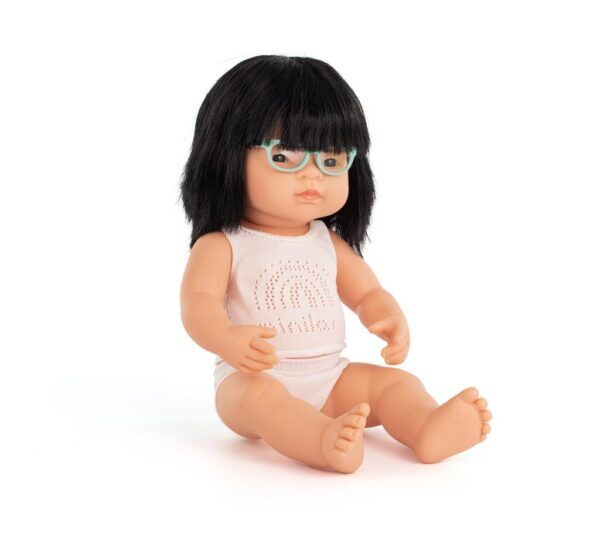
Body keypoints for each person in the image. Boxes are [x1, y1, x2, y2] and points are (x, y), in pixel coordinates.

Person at [179, 55, 492, 473]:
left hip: (332, 377)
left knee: (395, 384)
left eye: (331, 161)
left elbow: (366, 292)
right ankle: (320, 441)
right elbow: (197, 304)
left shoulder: (327, 242)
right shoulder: (224, 244)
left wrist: (384, 312)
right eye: (284, 157)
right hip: (249, 380)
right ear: (226, 157)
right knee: (264, 402)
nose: (312, 176)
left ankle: (426, 426)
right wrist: (225, 338)